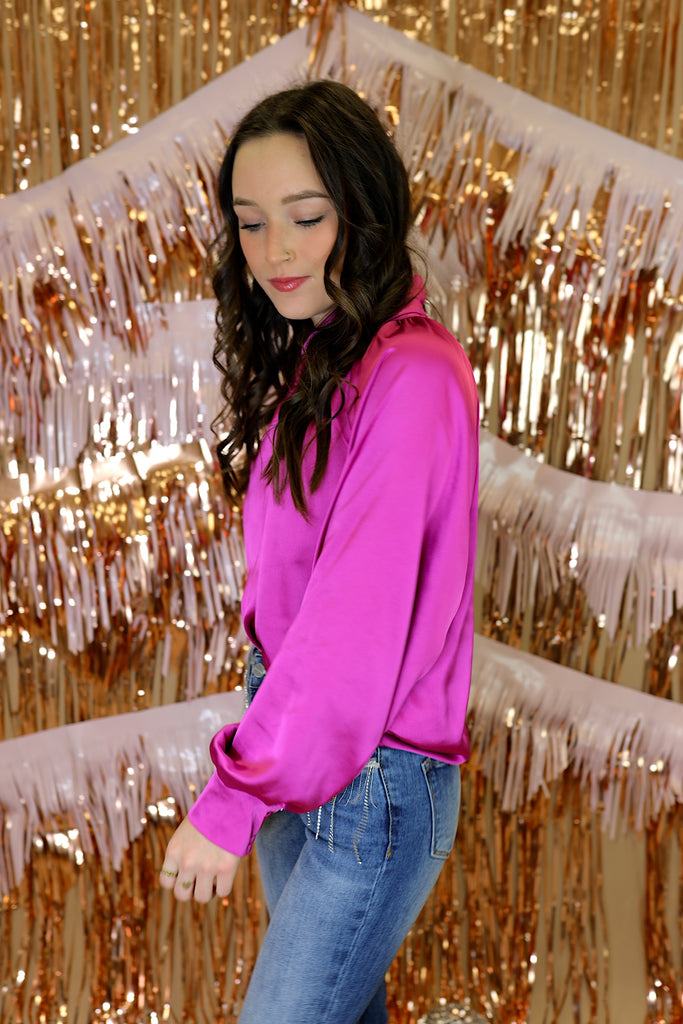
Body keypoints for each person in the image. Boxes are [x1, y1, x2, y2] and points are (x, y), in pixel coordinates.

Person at [159, 79, 479, 1024]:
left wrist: (231, 801)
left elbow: (351, 622)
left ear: (362, 209)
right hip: (298, 739)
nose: (275, 252)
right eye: (251, 224)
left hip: (373, 776)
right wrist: (268, 754)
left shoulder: (412, 373)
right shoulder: (324, 355)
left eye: (305, 217)